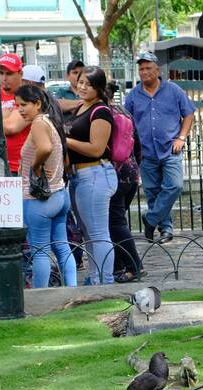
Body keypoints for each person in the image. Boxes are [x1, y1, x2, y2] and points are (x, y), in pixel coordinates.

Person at [125, 51, 195, 244]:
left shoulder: (174, 90)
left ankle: (150, 219)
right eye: (141, 69)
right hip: (145, 152)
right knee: (153, 192)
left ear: (158, 69)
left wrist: (181, 137)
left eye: (148, 68)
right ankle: (165, 230)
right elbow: (126, 122)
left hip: (170, 149)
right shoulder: (132, 96)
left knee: (174, 185)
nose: (144, 72)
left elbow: (189, 114)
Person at [16, 84, 77, 289]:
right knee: (62, 247)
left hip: (40, 199)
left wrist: (36, 166)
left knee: (39, 251)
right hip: (59, 194)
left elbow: (44, 148)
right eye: (17, 106)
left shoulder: (39, 123)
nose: (21, 110)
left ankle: (40, 297)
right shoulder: (52, 122)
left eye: (24, 105)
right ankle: (71, 291)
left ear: (38, 104)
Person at [65, 66, 120, 285]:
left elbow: (97, 148)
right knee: (87, 233)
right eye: (80, 82)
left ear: (98, 87)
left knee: (98, 233)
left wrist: (66, 141)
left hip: (95, 172)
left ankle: (106, 282)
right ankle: (96, 278)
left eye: (88, 84)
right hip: (78, 175)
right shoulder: (80, 107)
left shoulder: (101, 111)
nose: (83, 87)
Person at [100, 79, 143, 283]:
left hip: (113, 173)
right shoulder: (124, 112)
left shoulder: (103, 115)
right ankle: (117, 266)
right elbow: (138, 146)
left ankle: (134, 265)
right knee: (115, 221)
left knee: (115, 222)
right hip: (130, 173)